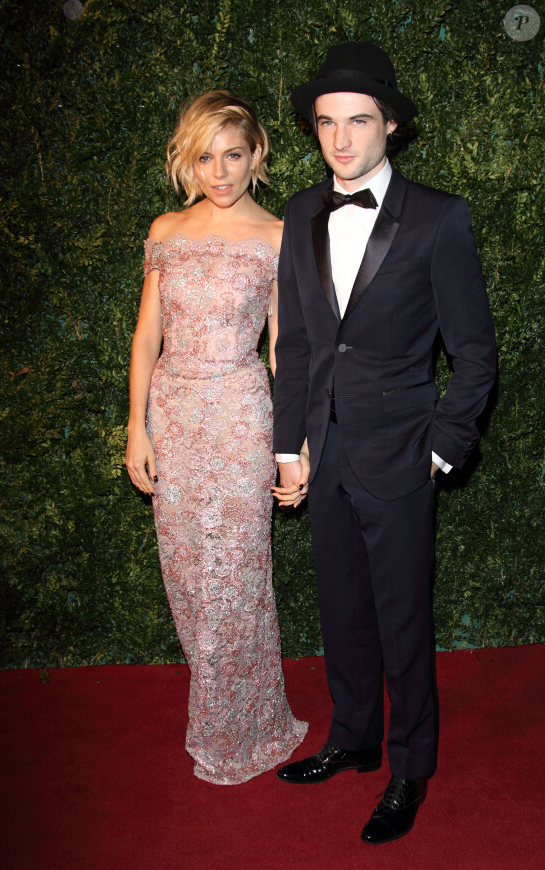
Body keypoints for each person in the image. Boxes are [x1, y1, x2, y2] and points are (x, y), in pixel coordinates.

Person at [271, 43, 496, 843]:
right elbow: (296, 342)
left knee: (403, 620)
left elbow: (475, 354)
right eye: (326, 122)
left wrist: (440, 448)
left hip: (401, 454)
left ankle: (410, 768)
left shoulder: (439, 216)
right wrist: (288, 445)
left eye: (359, 121)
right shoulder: (299, 212)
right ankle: (355, 738)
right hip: (322, 451)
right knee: (342, 611)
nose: (340, 139)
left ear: (391, 125)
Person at [125, 91, 307, 785]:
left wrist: (295, 445)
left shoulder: (279, 236)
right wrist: (135, 426)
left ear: (257, 154)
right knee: (187, 577)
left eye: (233, 155)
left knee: (237, 575)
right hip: (173, 415)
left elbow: (283, 348)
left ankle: (240, 729)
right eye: (205, 157)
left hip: (239, 415)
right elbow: (147, 336)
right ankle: (228, 707)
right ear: (186, 160)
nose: (220, 171)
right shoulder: (166, 228)